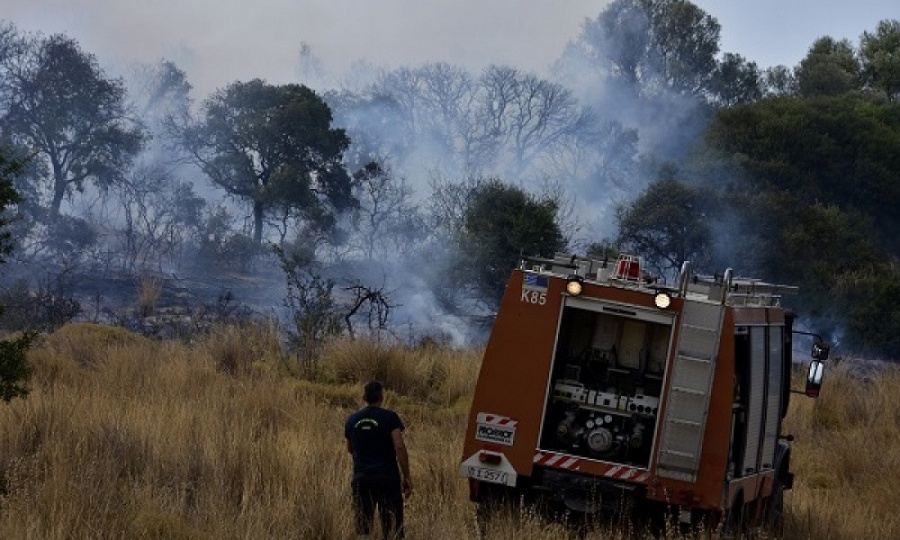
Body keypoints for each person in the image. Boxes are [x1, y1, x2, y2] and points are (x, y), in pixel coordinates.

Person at [345, 381, 412, 539]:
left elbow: (349, 448)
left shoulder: (352, 420)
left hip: (361, 479)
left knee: (363, 529)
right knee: (392, 529)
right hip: (387, 479)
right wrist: (407, 476)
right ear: (382, 397)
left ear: (364, 397)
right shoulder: (390, 417)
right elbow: (399, 447)